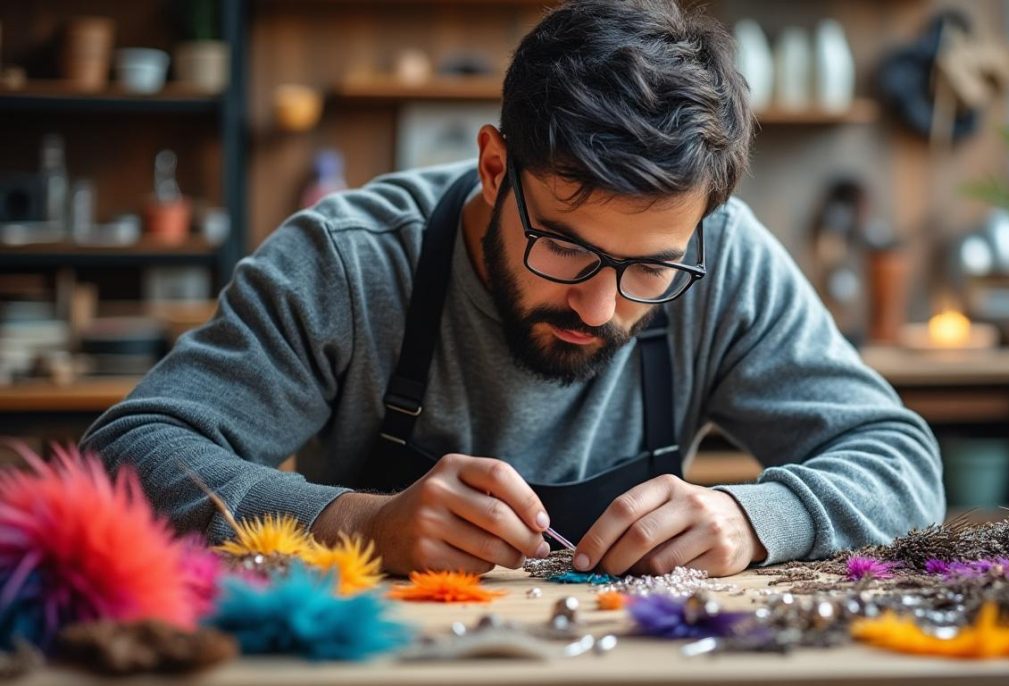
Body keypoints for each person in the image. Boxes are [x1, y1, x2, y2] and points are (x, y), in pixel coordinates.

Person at [81, 0, 944, 578]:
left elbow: (902, 465)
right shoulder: (346, 262)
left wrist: (758, 518)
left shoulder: (723, 258)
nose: (601, 310)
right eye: (566, 248)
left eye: (649, 267)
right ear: (495, 167)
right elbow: (126, 455)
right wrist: (356, 523)